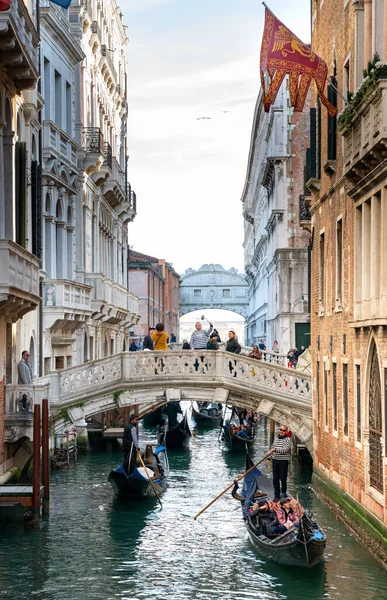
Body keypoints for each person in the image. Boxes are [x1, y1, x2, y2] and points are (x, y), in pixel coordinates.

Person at [266, 424, 292, 501]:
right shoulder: (276, 438)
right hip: (275, 461)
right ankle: (276, 496)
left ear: (286, 432)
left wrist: (275, 449)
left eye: (283, 430)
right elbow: (272, 450)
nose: (281, 431)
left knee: (283, 479)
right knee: (275, 479)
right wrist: (268, 458)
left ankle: (283, 493)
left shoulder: (288, 440)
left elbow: (285, 450)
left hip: (283, 462)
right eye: (280, 430)